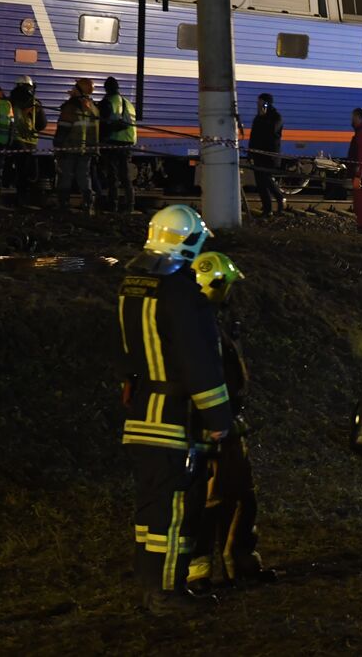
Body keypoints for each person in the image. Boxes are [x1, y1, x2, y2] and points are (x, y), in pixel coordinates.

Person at [116, 205, 232, 615]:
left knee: (151, 505)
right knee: (178, 508)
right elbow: (198, 360)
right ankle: (167, 593)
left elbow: (131, 350)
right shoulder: (183, 292)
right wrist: (218, 419)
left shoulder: (134, 284)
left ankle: (149, 583)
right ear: (188, 241)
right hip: (175, 420)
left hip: (142, 414)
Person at [185, 252, 276, 592]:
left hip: (227, 420)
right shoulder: (200, 327)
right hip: (212, 424)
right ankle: (199, 570)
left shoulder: (212, 322)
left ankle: (241, 560)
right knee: (211, 500)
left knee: (241, 494)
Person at [55, 79, 99, 213]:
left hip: (70, 147)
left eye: (75, 87)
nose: (72, 89)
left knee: (66, 175)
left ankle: (64, 204)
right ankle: (88, 204)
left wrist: (58, 144)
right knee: (84, 176)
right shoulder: (93, 108)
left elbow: (64, 127)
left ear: (79, 90)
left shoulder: (71, 107)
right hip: (87, 149)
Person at [97, 76, 137, 213]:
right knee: (125, 177)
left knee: (112, 175)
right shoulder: (128, 103)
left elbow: (102, 123)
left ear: (106, 88)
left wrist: (100, 140)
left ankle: (112, 205)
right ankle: (130, 205)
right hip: (128, 141)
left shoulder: (108, 102)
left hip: (113, 141)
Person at [8, 76, 45, 205]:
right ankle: (25, 196)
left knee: (19, 167)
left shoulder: (10, 101)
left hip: (16, 138)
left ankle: (18, 193)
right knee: (28, 169)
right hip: (31, 141)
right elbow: (42, 124)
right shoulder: (35, 103)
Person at [248, 93, 286, 216]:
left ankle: (280, 198)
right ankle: (267, 209)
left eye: (260, 102)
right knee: (260, 183)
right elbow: (253, 136)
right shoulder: (258, 118)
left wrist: (263, 117)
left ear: (267, 103)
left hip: (269, 155)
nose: (258, 105)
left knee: (266, 178)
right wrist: (250, 153)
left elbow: (271, 132)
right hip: (258, 154)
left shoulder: (276, 117)